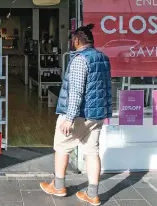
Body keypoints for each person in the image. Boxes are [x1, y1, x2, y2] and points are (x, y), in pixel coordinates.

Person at [40, 24, 112, 205]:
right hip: (97, 114)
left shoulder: (81, 60)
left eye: (73, 40)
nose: (72, 43)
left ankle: (58, 186)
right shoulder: (103, 58)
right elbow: (105, 87)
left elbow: (76, 91)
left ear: (77, 40)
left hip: (80, 114)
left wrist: (69, 118)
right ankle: (93, 194)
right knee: (92, 152)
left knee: (62, 147)